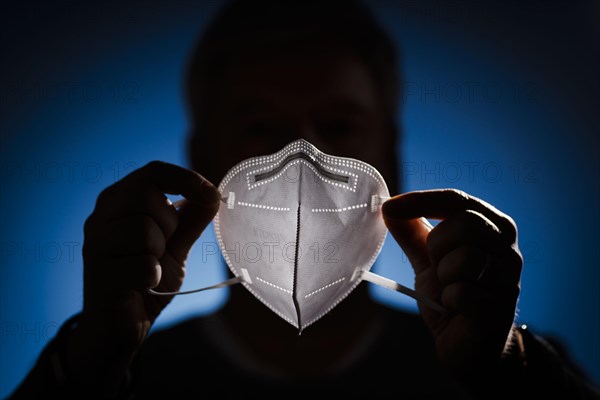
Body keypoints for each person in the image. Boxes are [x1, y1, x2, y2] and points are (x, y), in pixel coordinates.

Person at [8, 0, 600, 398]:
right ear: (201, 163)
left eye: (340, 127)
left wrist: (505, 371)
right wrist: (88, 365)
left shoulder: (494, 365)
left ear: (390, 161)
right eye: (261, 129)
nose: (302, 158)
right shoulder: (127, 376)